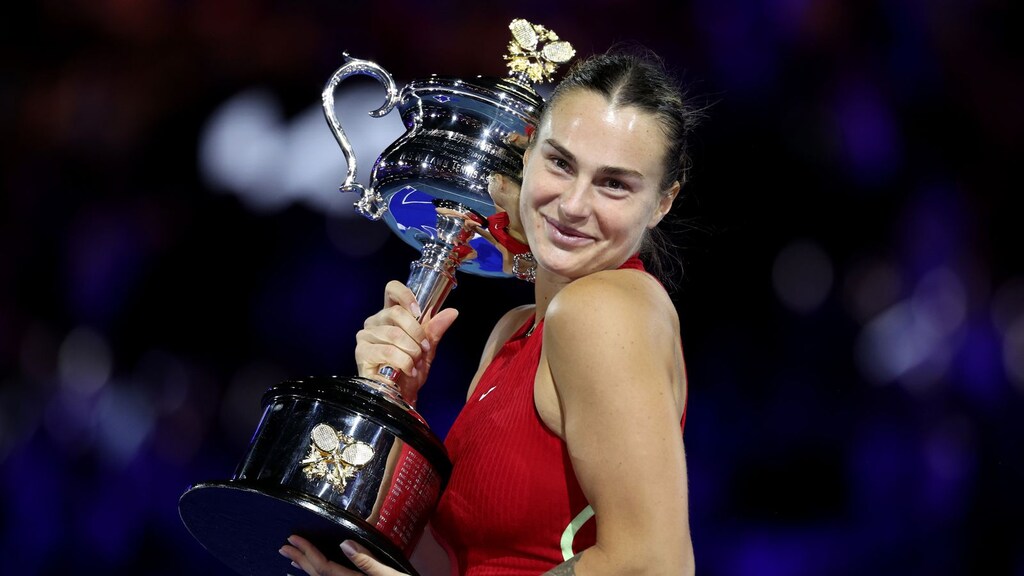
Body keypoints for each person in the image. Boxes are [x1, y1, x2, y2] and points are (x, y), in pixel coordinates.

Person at [280, 46, 700, 576]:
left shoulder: (602, 310)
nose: (573, 204)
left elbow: (654, 565)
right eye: (560, 162)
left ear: (662, 203)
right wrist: (392, 408)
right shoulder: (514, 331)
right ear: (526, 159)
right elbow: (464, 562)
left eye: (613, 183)